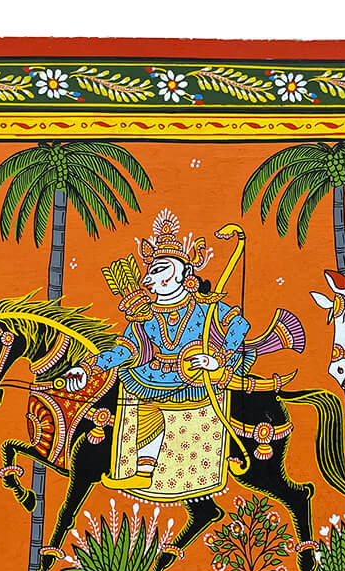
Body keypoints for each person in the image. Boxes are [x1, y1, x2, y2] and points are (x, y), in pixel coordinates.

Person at [61, 211, 252, 495]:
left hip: (198, 378)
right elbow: (125, 350)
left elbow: (240, 325)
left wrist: (218, 359)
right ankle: (142, 472)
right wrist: (88, 368)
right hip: (153, 378)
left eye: (160, 268)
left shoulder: (205, 307)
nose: (149, 278)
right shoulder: (145, 316)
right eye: (150, 270)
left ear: (184, 273)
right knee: (137, 403)